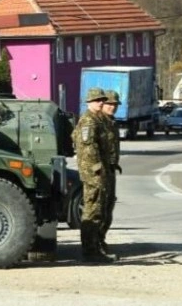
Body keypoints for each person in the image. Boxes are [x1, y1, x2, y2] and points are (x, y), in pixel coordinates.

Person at [71, 87, 117, 263]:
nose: (101, 102)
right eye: (98, 100)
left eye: (102, 100)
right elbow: (88, 148)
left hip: (100, 171)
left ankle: (96, 247)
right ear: (89, 102)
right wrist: (98, 169)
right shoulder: (89, 121)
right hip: (93, 172)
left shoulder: (99, 119)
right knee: (92, 210)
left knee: (101, 208)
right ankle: (90, 251)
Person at [99, 90, 123, 254]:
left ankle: (101, 241)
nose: (112, 107)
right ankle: (94, 245)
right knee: (98, 210)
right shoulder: (96, 122)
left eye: (115, 105)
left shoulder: (111, 123)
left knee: (108, 208)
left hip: (109, 170)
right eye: (109, 104)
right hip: (99, 172)